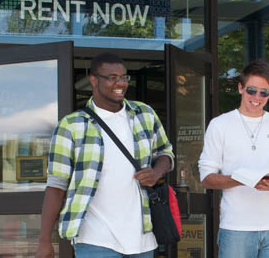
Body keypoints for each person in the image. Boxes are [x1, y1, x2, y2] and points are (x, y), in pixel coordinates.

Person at [36, 52, 175, 258]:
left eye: (123, 77)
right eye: (112, 77)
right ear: (94, 80)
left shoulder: (144, 114)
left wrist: (156, 172)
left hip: (142, 237)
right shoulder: (72, 125)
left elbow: (165, 153)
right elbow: (56, 186)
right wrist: (44, 241)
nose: (120, 83)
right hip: (94, 238)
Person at [199, 60, 269, 257]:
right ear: (240, 88)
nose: (257, 97)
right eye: (252, 90)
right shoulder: (220, 125)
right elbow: (206, 178)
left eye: (264, 93)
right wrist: (242, 179)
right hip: (236, 228)